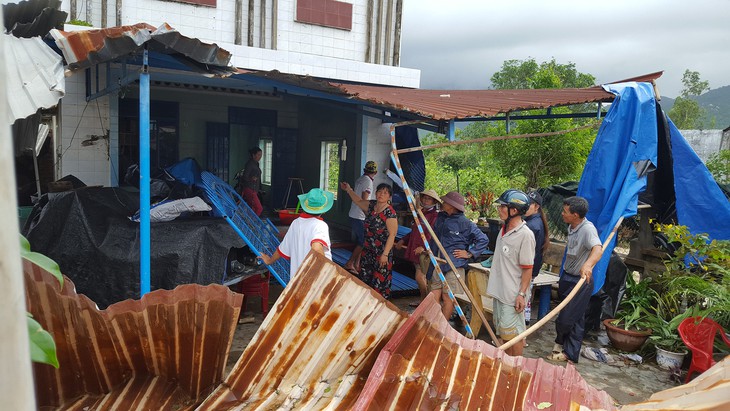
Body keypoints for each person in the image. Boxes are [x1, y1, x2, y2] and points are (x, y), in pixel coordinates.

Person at [550, 196, 603, 363]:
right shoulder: (572, 226)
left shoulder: (588, 229)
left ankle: (567, 350)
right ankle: (566, 350)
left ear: (575, 215)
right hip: (567, 277)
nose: (562, 214)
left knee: (568, 318)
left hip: (580, 281)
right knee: (573, 316)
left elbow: (598, 249)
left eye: (565, 212)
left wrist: (588, 265)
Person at [486, 190, 535, 356]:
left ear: (514, 211)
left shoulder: (525, 235)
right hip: (499, 291)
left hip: (512, 295)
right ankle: (507, 366)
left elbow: (528, 269)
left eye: (502, 207)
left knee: (514, 335)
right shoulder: (503, 229)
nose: (499, 209)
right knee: (503, 334)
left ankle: (516, 368)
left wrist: (521, 294)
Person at [428, 191, 489, 320]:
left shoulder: (465, 223)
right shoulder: (441, 218)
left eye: (445, 202)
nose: (443, 203)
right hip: (438, 261)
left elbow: (483, 239)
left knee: (448, 297)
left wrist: (469, 253)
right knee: (433, 295)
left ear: (452, 206)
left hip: (454, 265)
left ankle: (442, 327)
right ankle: (434, 323)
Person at [340, 181, 398, 298]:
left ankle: (379, 305)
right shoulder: (371, 205)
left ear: (389, 197)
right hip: (368, 250)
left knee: (379, 281)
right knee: (365, 278)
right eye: (379, 191)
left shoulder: (390, 213)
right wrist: (349, 190)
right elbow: (358, 201)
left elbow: (392, 235)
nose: (381, 194)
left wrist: (385, 254)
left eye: (385, 193)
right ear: (376, 193)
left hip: (381, 252)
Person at [259, 188, 333, 278]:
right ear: (324, 210)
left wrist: (269, 260)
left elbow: (282, 248)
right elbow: (317, 248)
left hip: (297, 281)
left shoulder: (296, 223)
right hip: (315, 282)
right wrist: (327, 271)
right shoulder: (320, 225)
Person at [395, 189, 442, 305]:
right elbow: (414, 231)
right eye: (424, 198)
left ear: (434, 202)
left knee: (420, 277)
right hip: (415, 248)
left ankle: (425, 301)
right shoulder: (421, 213)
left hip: (424, 251)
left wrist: (424, 248)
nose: (426, 201)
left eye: (429, 199)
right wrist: (403, 240)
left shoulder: (435, 216)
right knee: (421, 277)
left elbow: (432, 235)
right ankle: (424, 300)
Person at [343, 161, 377, 274]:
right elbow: (364, 200)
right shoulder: (368, 182)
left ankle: (357, 264)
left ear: (364, 170)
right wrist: (368, 214)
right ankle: (350, 263)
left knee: (361, 240)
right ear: (375, 172)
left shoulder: (360, 179)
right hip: (360, 215)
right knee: (363, 241)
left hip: (354, 213)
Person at [524, 190, 550, 323]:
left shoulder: (532, 226)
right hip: (531, 269)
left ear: (536, 207)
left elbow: (530, 254)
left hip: (528, 269)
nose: (525, 207)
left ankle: (520, 334)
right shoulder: (534, 222)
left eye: (528, 204)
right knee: (526, 299)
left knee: (522, 299)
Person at [237, 147, 264, 216]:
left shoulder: (256, 163)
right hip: (250, 189)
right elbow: (245, 177)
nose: (260, 156)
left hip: (254, 189)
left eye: (261, 155)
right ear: (253, 155)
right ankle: (252, 223)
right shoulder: (250, 164)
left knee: (252, 208)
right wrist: (251, 179)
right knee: (259, 208)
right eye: (258, 155)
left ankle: (249, 222)